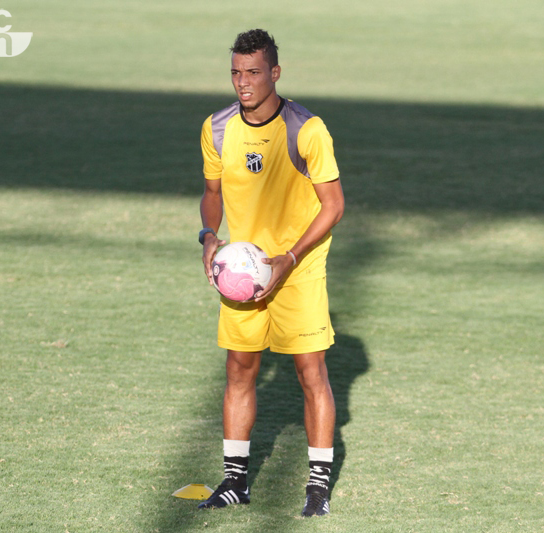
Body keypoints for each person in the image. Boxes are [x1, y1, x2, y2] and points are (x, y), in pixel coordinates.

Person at [196, 29, 344, 517]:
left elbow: (333, 205)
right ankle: (235, 480)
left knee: (309, 371)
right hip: (243, 270)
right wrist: (208, 235)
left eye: (254, 72)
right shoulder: (217, 128)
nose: (243, 82)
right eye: (237, 73)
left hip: (297, 267)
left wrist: (291, 258)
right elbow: (213, 192)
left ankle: (318, 486)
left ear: (274, 73)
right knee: (239, 368)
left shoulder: (306, 129)